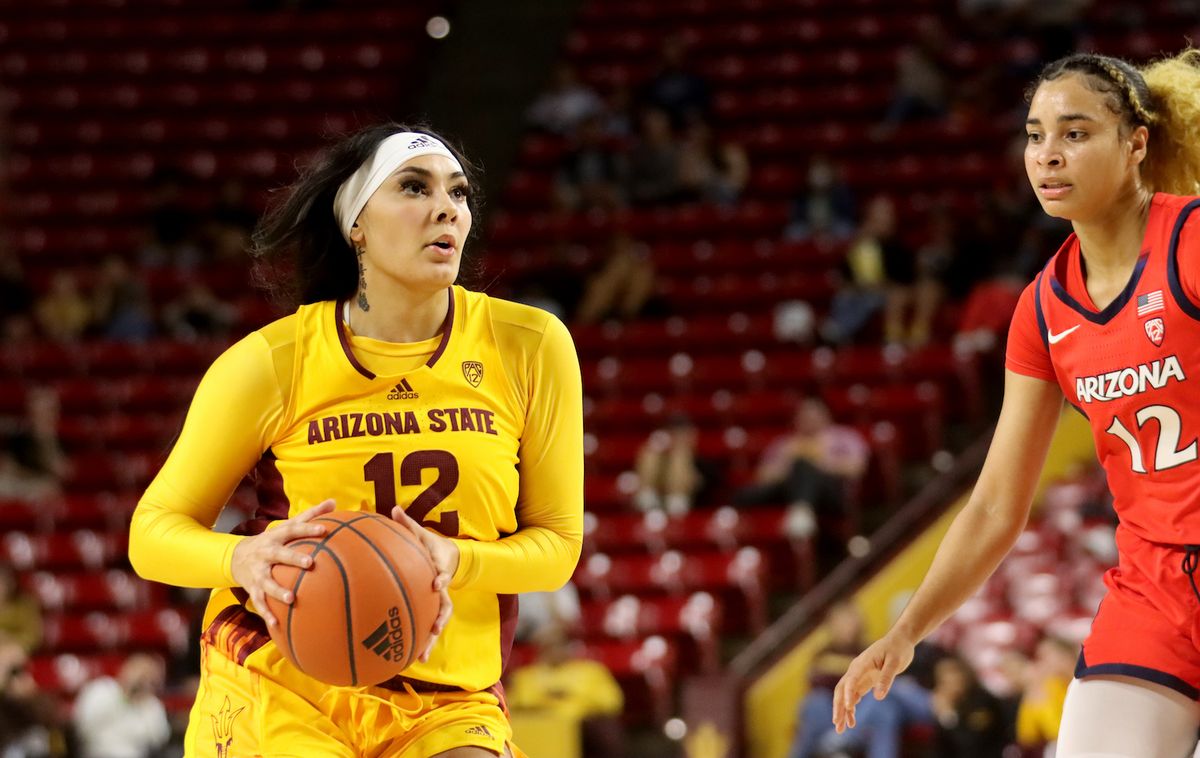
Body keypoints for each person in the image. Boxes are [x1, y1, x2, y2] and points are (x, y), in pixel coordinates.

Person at [128, 123, 584, 758]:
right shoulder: (273, 361)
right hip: (285, 674)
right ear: (356, 227)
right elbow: (151, 533)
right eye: (413, 187)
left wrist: (457, 561)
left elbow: (558, 546)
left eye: (458, 193)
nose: (446, 207)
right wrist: (244, 561)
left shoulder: (530, 345)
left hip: (446, 691)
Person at [832, 50, 1200, 757]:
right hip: (1155, 593)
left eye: (1075, 132)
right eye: (1035, 136)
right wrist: (906, 633)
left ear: (1137, 143)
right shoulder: (1042, 309)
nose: (1048, 156)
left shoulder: (1189, 239)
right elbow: (998, 504)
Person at [788, 603, 933, 758]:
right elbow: (820, 681)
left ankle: (839, 742)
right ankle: (932, 706)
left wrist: (854, 674)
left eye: (850, 621)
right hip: (833, 713)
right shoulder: (823, 654)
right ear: (832, 625)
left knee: (883, 706)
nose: (847, 626)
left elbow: (878, 679)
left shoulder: (868, 649)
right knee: (814, 703)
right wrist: (855, 674)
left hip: (864, 713)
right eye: (841, 622)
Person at [507, 622, 625, 758]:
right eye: (549, 646)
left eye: (559, 645)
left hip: (582, 724)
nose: (555, 651)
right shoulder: (526, 676)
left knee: (604, 729)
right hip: (543, 725)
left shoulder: (591, 671)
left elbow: (612, 701)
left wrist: (576, 700)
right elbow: (516, 704)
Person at [73, 654, 171, 758]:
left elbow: (159, 738)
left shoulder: (151, 704)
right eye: (141, 674)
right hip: (97, 753)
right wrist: (124, 696)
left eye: (150, 678)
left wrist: (143, 704)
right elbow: (83, 726)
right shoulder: (101, 689)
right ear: (126, 669)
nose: (143, 681)